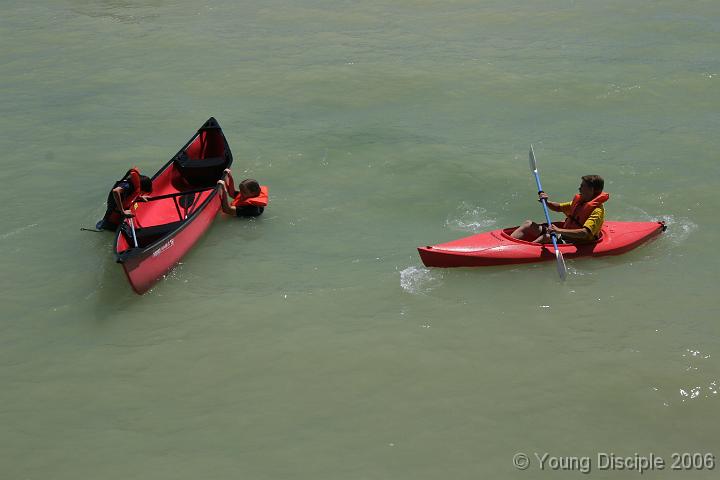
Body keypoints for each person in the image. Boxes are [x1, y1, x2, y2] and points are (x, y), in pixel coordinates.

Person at [510, 175, 609, 244]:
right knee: (528, 224)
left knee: (546, 237)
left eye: (582, 186)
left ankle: (523, 250)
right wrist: (546, 202)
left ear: (591, 190)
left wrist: (558, 230)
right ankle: (508, 243)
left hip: (576, 242)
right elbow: (558, 207)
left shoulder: (597, 211)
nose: (579, 188)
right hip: (563, 235)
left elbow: (584, 233)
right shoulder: (580, 202)